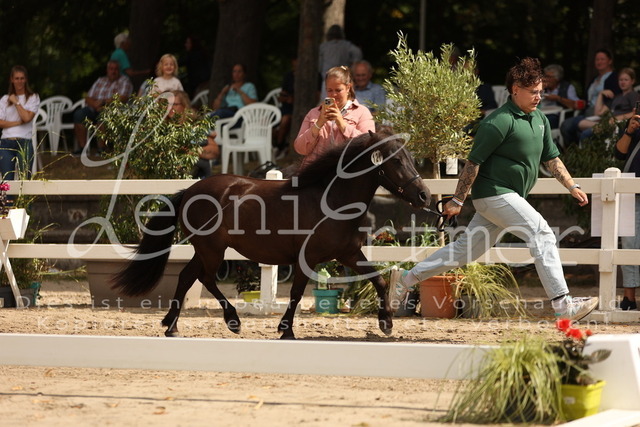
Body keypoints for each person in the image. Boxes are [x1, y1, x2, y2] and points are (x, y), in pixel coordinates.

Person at [389, 57, 599, 321]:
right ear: (515, 90)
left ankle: (405, 279)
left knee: (465, 250)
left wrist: (571, 185)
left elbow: (552, 158)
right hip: (495, 194)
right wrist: (457, 200)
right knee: (541, 233)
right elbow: (472, 164)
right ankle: (562, 304)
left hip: (507, 198)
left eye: (541, 91)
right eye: (533, 92)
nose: (539, 97)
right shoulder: (497, 122)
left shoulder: (540, 119)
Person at [293, 66, 375, 167]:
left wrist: (342, 124)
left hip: (347, 169)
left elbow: (369, 145)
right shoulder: (313, 113)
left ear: (348, 87)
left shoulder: (361, 112)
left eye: (338, 90)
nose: (333, 95)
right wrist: (318, 124)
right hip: (315, 170)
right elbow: (300, 149)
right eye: (329, 90)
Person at [561, 49, 621, 145]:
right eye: (597, 59)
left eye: (602, 59)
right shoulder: (595, 79)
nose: (599, 62)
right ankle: (573, 150)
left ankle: (575, 151)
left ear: (610, 61)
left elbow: (614, 98)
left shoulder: (615, 78)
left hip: (601, 114)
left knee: (567, 125)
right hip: (587, 112)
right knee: (566, 125)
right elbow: (587, 99)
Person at [73, 60, 133, 155]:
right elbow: (88, 97)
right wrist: (95, 104)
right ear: (107, 70)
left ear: (119, 70)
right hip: (94, 108)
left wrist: (103, 103)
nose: (113, 71)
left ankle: (102, 148)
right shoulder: (100, 80)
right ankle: (82, 148)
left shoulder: (125, 81)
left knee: (103, 115)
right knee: (79, 114)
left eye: (116, 69)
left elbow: (123, 98)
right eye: (111, 69)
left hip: (113, 111)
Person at [613, 108, 640, 310]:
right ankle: (629, 297)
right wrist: (629, 130)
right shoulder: (635, 124)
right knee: (629, 244)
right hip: (631, 191)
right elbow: (619, 153)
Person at [576, 67, 639, 143]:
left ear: (632, 81)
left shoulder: (633, 95)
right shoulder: (617, 97)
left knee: (585, 134)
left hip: (619, 126)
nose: (623, 82)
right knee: (581, 124)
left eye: (626, 80)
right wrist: (600, 94)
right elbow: (598, 113)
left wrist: (616, 119)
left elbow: (636, 112)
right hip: (607, 122)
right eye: (621, 80)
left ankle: (600, 128)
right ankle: (600, 126)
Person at [0, 65, 40, 181]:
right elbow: (0, 123)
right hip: (6, 142)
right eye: (17, 78)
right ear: (12, 80)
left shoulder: (33, 97)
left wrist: (16, 102)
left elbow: (27, 118)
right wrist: (18, 122)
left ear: (26, 79)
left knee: (25, 180)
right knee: (7, 181)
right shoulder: (4, 99)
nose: (19, 81)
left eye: (22, 78)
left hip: (24, 141)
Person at [168, 90, 218, 179]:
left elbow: (214, 151)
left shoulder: (193, 127)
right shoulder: (160, 127)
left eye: (175, 104)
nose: (170, 108)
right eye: (168, 104)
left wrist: (190, 151)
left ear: (184, 106)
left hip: (194, 174)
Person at [318, 24, 362, 97]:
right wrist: (354, 64)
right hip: (343, 81)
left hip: (327, 80)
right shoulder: (347, 45)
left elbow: (319, 66)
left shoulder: (323, 47)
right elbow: (358, 52)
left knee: (327, 101)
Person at [541, 64, 580, 128]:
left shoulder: (567, 87)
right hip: (541, 113)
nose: (545, 79)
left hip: (556, 116)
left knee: (541, 122)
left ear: (557, 78)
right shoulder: (542, 88)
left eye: (548, 77)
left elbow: (576, 104)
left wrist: (558, 98)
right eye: (545, 76)